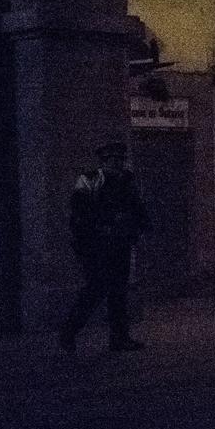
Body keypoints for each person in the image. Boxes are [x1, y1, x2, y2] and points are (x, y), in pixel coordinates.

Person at [59, 141, 149, 353]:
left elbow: (138, 209)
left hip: (120, 243)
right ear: (104, 160)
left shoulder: (127, 181)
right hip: (97, 244)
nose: (117, 163)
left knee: (118, 291)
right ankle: (69, 332)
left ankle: (119, 338)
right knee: (96, 288)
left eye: (120, 159)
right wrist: (103, 225)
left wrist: (139, 228)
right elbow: (81, 210)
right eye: (113, 159)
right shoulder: (90, 179)